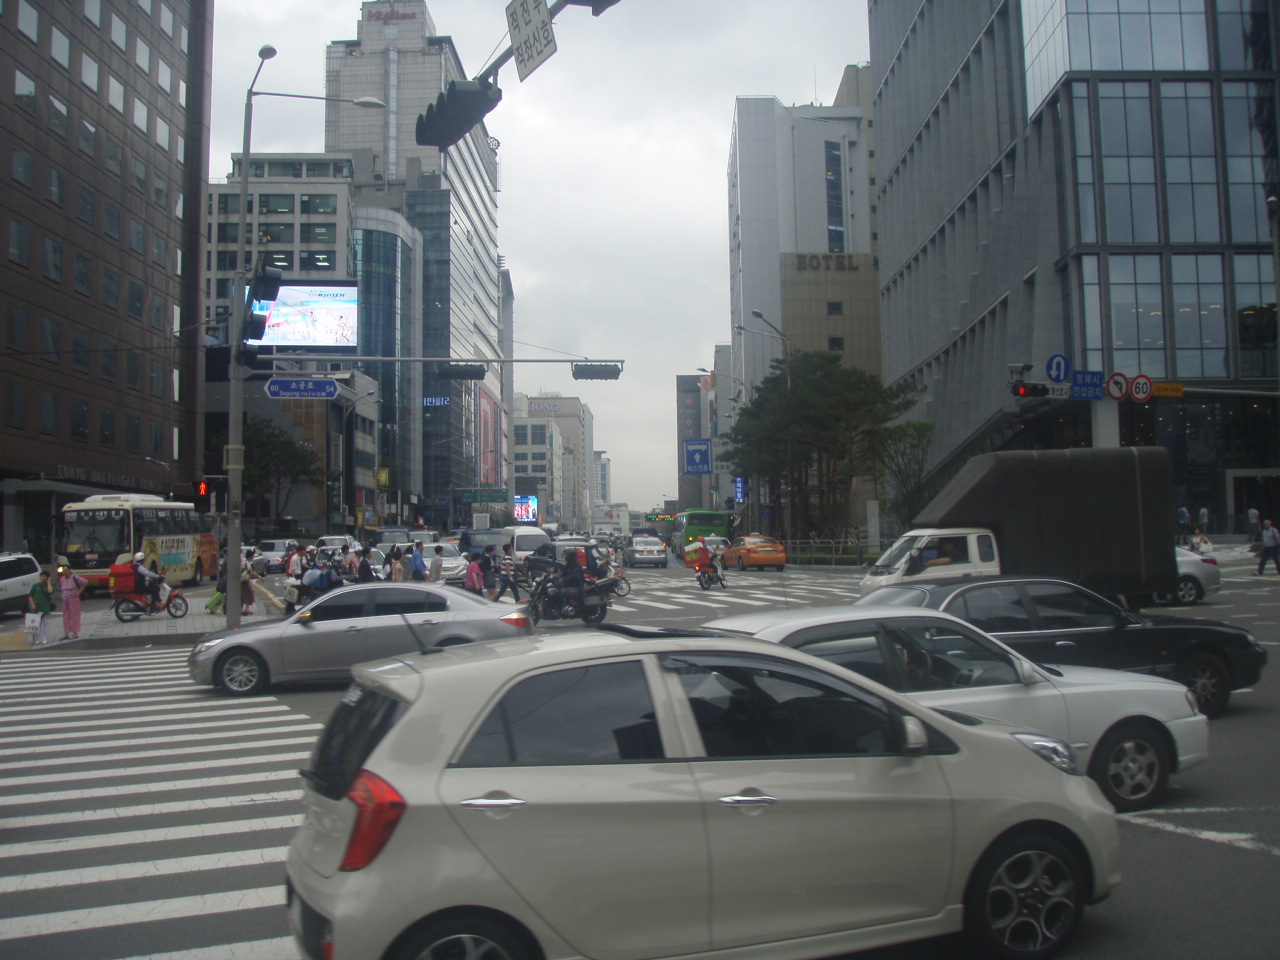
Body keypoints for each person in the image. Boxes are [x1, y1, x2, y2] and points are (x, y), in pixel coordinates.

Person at [57, 561, 88, 641]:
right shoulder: (62, 579)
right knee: (65, 616)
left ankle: (75, 633)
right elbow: (61, 587)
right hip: (65, 599)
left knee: (74, 615)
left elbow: (85, 582)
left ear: (69, 570)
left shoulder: (74, 577)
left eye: (66, 570)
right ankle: (66, 633)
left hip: (74, 598)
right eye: (63, 570)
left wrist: (79, 591)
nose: (64, 572)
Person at [26, 569, 55, 646]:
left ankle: (44, 638)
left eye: (44, 576)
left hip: (45, 607)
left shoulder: (48, 586)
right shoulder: (35, 586)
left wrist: (48, 582)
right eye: (41, 576)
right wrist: (32, 604)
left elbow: (50, 591)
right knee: (36, 624)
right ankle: (37, 639)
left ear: (47, 577)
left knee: (45, 624)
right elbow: (30, 596)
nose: (42, 577)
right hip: (36, 608)